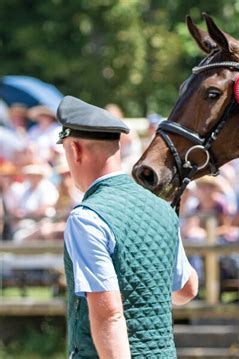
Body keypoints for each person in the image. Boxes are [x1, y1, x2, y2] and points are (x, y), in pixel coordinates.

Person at [57, 96, 198, 358]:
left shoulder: (87, 218)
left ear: (75, 149)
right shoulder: (162, 208)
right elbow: (186, 289)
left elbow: (109, 315)